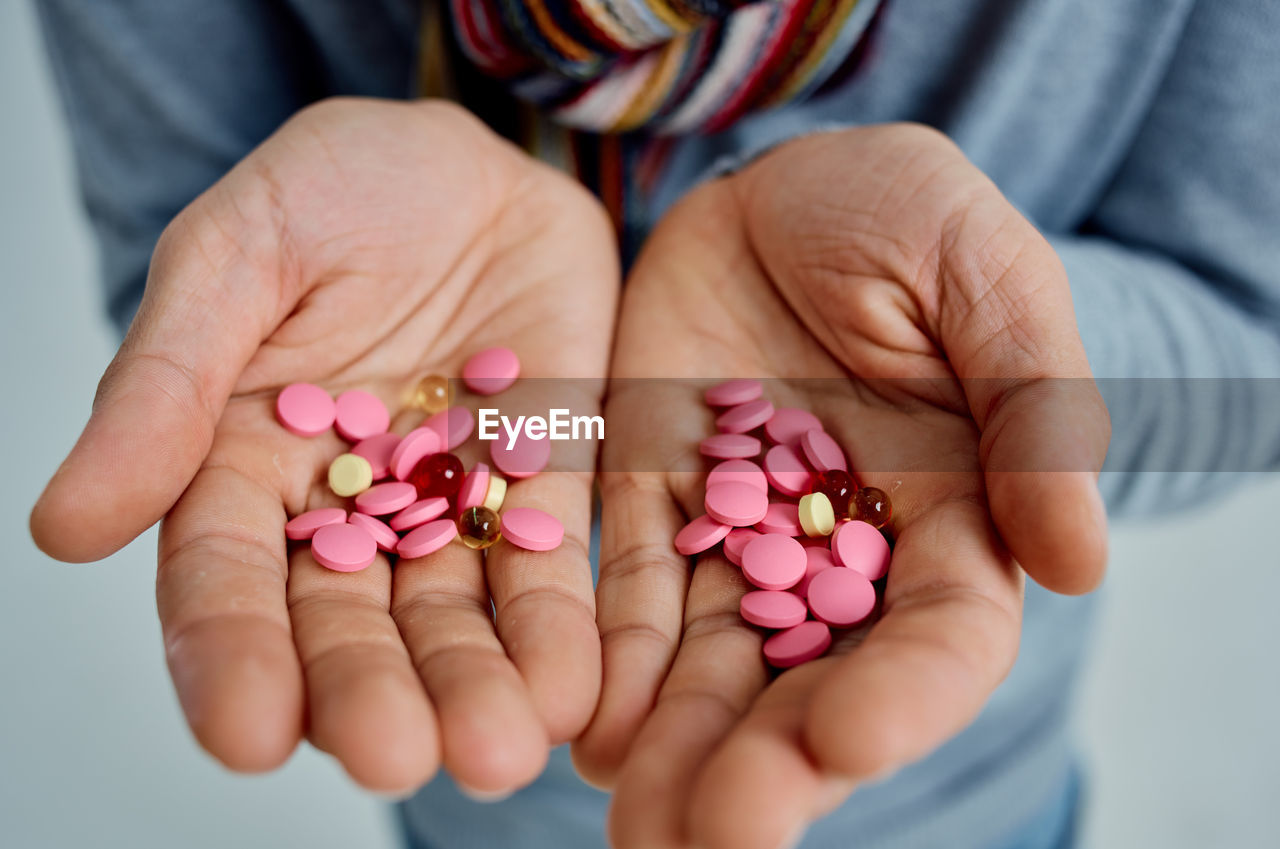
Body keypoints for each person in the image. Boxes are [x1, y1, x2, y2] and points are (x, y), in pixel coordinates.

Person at [29, 2, 1280, 848]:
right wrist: (263, 309)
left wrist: (1010, 372)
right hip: (477, 776)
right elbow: (191, 287)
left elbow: (1253, 340)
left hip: (964, 796)